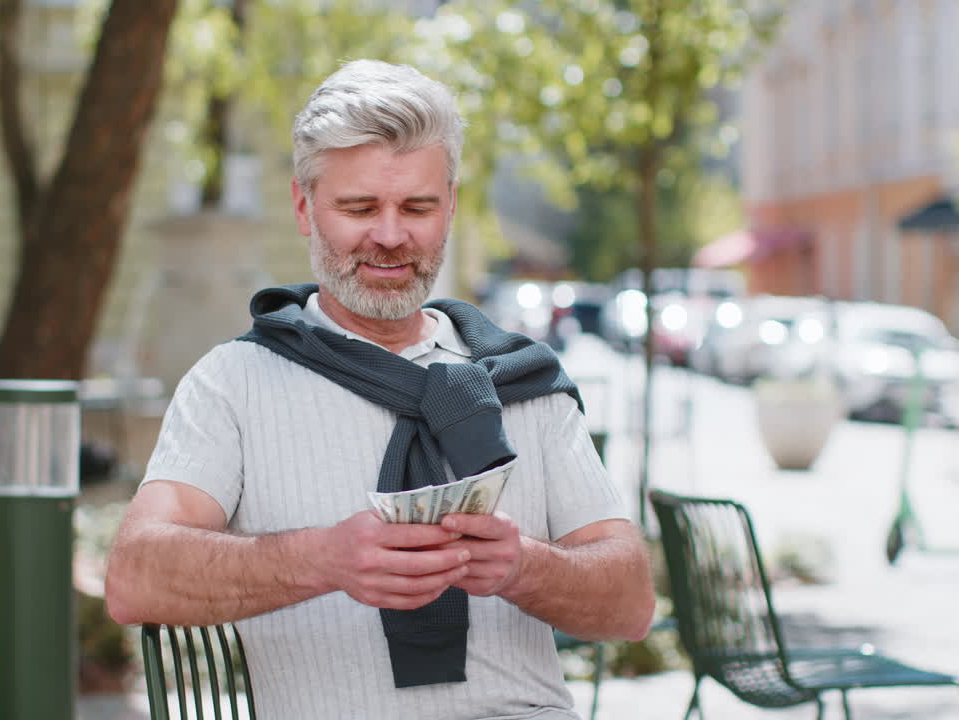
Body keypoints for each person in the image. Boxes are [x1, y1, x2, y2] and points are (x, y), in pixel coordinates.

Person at [105, 60, 654, 720]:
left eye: (417, 207)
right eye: (359, 207)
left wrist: (525, 567)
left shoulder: (525, 381)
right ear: (304, 208)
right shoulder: (232, 385)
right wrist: (325, 561)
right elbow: (134, 577)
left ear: (449, 205)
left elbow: (632, 605)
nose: (390, 236)